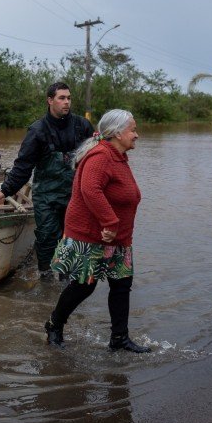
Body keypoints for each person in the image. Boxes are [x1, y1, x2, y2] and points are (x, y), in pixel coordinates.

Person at [43, 109, 150, 353]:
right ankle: (53, 325)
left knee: (122, 285)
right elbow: (90, 189)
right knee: (83, 285)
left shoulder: (118, 156)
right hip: (92, 235)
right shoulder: (101, 156)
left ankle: (119, 338)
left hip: (118, 237)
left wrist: (116, 228)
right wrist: (110, 223)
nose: (137, 135)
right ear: (116, 133)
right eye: (133, 130)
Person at [0, 82, 93, 278]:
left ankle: (69, 278)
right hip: (46, 197)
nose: (66, 102)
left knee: (74, 237)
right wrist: (4, 191)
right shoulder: (37, 131)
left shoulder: (82, 126)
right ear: (50, 100)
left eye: (69, 98)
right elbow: (23, 166)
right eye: (61, 98)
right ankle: (46, 278)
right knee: (47, 237)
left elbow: (95, 161)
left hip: (75, 195)